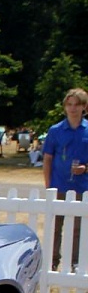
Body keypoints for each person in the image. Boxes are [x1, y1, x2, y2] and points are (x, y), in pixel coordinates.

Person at [42, 88, 88, 270]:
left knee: (79, 228)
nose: (73, 108)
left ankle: (74, 262)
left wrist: (85, 168)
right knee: (55, 226)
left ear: (84, 107)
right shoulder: (56, 130)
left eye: (77, 104)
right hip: (59, 185)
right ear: (65, 107)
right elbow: (47, 159)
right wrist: (48, 185)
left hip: (82, 187)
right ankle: (53, 262)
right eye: (69, 104)